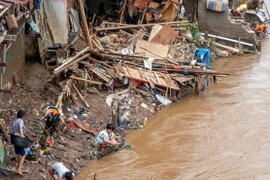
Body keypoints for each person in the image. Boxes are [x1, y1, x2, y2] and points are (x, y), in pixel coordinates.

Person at [12, 110, 27, 175]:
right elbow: (20, 127)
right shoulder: (20, 121)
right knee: (24, 154)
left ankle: (18, 167)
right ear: (22, 116)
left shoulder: (14, 121)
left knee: (19, 153)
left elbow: (14, 130)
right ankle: (18, 169)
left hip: (15, 139)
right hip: (20, 140)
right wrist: (21, 134)